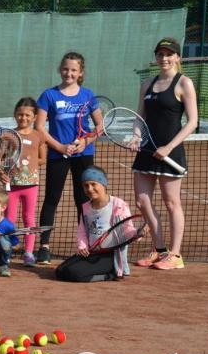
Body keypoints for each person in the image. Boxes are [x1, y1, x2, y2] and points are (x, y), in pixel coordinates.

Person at [132, 38, 198, 270]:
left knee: (171, 202)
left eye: (169, 54)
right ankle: (159, 250)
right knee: (142, 201)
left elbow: (192, 122)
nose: (164, 58)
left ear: (177, 57)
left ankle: (175, 255)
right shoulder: (147, 84)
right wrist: (136, 136)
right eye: (160, 54)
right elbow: (140, 117)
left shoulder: (184, 83)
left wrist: (168, 147)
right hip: (146, 151)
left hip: (171, 152)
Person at [34, 52, 104, 266]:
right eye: (65, 69)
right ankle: (44, 247)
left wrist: (85, 142)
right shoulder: (49, 95)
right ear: (60, 69)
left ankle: (86, 244)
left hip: (83, 155)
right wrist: (60, 147)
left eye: (74, 70)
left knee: (83, 199)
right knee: (52, 198)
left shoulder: (88, 95)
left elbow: (100, 126)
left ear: (80, 72)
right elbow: (39, 127)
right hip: (58, 155)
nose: (69, 73)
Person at [56, 166, 136, 282]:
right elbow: (82, 231)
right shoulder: (86, 207)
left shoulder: (118, 205)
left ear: (103, 184)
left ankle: (110, 275)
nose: (90, 189)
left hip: (110, 256)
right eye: (86, 185)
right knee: (60, 271)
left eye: (93, 184)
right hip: (92, 253)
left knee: (75, 274)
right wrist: (82, 246)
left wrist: (137, 233)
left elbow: (127, 229)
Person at [4, 97, 47, 267]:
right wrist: (8, 166)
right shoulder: (9, 135)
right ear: (15, 115)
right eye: (20, 114)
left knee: (29, 219)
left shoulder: (38, 136)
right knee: (9, 218)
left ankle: (29, 253)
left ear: (34, 117)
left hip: (31, 185)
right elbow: (2, 157)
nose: (23, 118)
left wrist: (29, 164)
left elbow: (42, 158)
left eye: (28, 115)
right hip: (12, 185)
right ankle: (7, 251)